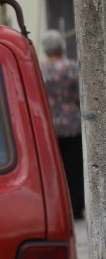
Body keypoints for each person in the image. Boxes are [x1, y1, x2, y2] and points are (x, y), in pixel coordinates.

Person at [40, 29, 84, 217]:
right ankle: (76, 206)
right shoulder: (72, 68)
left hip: (49, 126)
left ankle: (58, 207)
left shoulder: (39, 69)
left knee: (54, 168)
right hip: (72, 125)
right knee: (74, 167)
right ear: (61, 46)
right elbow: (80, 95)